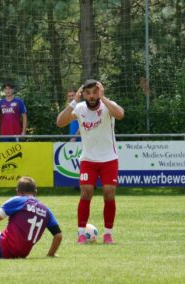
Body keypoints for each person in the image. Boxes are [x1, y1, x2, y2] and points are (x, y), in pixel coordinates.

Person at [56, 79, 124, 244]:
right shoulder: (79, 108)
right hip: (88, 160)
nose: (92, 96)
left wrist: (104, 98)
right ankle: (81, 234)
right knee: (86, 191)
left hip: (109, 158)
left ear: (99, 92)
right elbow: (60, 122)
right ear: (83, 94)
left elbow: (120, 115)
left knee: (109, 192)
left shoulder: (107, 106)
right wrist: (74, 102)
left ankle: (108, 234)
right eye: (88, 93)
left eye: (95, 92)